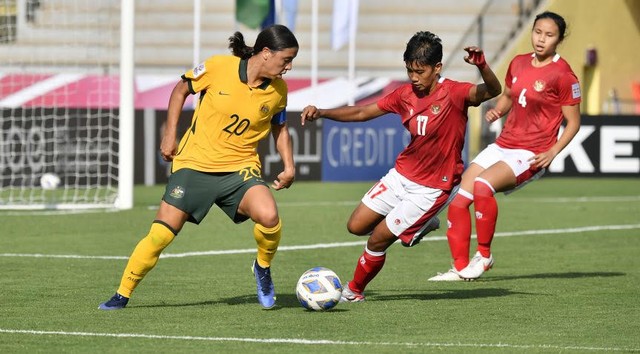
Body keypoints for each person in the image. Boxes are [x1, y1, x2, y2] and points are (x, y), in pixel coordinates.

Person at [98, 24, 299, 310]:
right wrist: (170, 133)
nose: (289, 67)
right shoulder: (218, 67)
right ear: (266, 53)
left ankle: (262, 269)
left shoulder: (278, 90)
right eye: (286, 60)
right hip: (194, 165)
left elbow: (280, 128)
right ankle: (122, 293)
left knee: (269, 216)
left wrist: (288, 166)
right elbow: (180, 90)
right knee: (160, 235)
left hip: (240, 170)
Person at [300, 31, 501, 302]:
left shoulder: (454, 93)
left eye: (420, 71)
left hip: (432, 188)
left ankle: (354, 290)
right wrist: (323, 112)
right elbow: (362, 112)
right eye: (409, 70)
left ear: (437, 68)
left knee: (377, 240)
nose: (414, 77)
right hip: (402, 175)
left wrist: (481, 66)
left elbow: (492, 90)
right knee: (356, 226)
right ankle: (420, 224)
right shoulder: (404, 94)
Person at [429, 11, 581, 281]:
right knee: (458, 199)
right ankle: (461, 268)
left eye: (549, 35)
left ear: (559, 39)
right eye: (537, 32)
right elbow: (510, 94)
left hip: (530, 152)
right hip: (504, 144)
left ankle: (484, 256)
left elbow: (573, 123)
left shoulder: (564, 75)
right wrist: (498, 111)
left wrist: (553, 151)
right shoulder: (519, 62)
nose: (541, 39)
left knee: (483, 185)